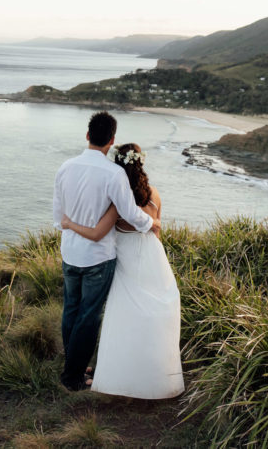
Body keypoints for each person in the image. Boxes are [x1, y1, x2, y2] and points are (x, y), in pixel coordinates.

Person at [61, 142, 185, 399]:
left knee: (122, 314)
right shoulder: (154, 194)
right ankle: (152, 370)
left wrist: (69, 223)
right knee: (152, 312)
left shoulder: (117, 198)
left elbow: (98, 232)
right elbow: (156, 231)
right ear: (140, 163)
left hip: (124, 257)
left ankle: (115, 370)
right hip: (151, 255)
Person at [52, 112, 159, 391]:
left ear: (88, 135)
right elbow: (130, 214)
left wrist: (71, 225)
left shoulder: (65, 167)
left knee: (71, 310)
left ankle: (73, 364)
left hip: (70, 253)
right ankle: (73, 377)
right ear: (111, 140)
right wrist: (153, 222)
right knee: (89, 315)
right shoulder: (113, 174)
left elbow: (57, 216)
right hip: (98, 257)